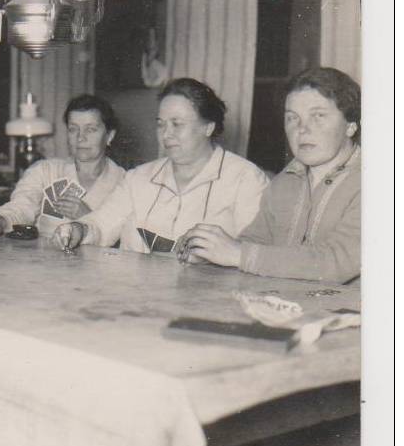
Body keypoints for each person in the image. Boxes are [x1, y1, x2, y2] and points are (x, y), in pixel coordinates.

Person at [177, 67, 361, 285]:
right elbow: (255, 242)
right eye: (292, 118)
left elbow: (335, 263)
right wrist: (207, 253)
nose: (302, 129)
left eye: (318, 116)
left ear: (350, 125)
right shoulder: (284, 182)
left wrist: (237, 254)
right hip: (286, 309)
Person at [53, 78, 269, 254]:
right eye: (160, 124)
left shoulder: (246, 180)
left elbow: (255, 254)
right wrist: (78, 229)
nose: (166, 134)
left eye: (177, 124)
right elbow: (102, 224)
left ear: (208, 127)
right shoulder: (138, 178)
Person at [0, 94, 126, 240]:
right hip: (44, 262)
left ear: (110, 135)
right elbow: (21, 206)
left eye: (90, 129)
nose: (80, 138)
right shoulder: (45, 170)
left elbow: (126, 239)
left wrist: (86, 217)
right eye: (73, 129)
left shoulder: (125, 181)